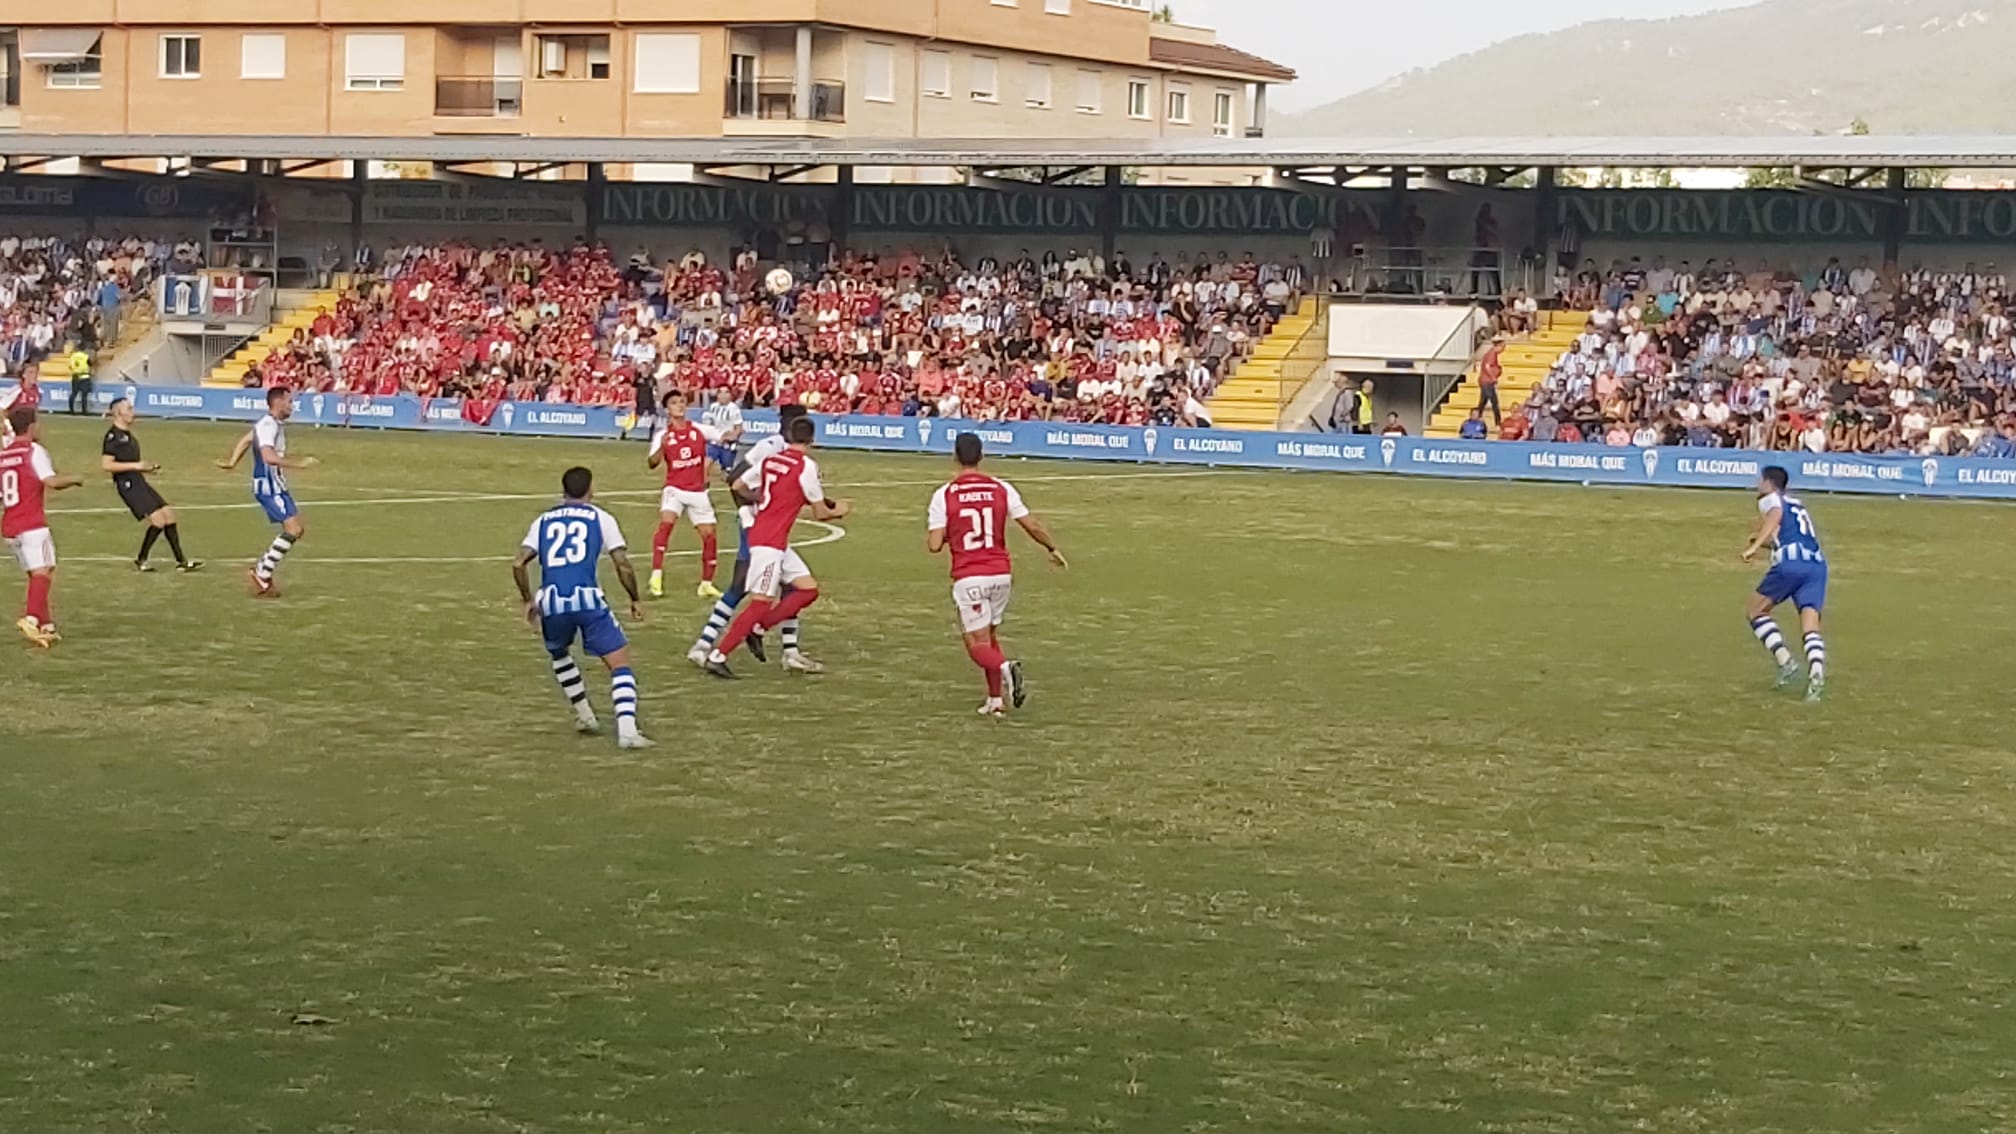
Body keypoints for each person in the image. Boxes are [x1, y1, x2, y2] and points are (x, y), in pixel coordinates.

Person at [510, 465, 651, 749]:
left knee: (559, 653)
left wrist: (528, 600)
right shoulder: (601, 518)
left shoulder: (544, 520)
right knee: (619, 662)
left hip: (551, 602)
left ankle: (585, 715)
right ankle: (627, 731)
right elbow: (621, 563)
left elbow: (518, 563)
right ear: (591, 490)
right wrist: (634, 598)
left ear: (563, 491)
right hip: (587, 599)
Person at [926, 433, 1066, 717]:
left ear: (954, 457)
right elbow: (1031, 524)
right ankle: (995, 700)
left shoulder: (945, 494)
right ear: (982, 456)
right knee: (989, 634)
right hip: (1001, 573)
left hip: (970, 576)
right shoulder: (1001, 488)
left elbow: (933, 544)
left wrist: (948, 534)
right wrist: (1052, 548)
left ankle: (1005, 668)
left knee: (975, 643)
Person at [702, 414, 851, 680]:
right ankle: (718, 655)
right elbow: (820, 513)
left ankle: (758, 629)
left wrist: (765, 500)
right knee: (760, 602)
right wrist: (839, 510)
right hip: (768, 543)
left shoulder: (772, 460)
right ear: (812, 440)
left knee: (808, 589)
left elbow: (738, 485)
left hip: (771, 538)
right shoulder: (806, 466)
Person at [688, 403, 812, 668]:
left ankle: (790, 651)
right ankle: (705, 644)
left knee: (791, 587)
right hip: (757, 526)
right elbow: (735, 478)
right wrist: (750, 511)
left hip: (771, 527)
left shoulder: (790, 452)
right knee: (742, 584)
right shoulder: (770, 447)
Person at [218, 388, 318, 598]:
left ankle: (262, 571)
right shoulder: (267, 425)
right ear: (278, 402)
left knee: (296, 530)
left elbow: (247, 439)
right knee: (293, 529)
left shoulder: (268, 424)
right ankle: (262, 573)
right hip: (269, 486)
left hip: (276, 484)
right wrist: (297, 465)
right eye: (289, 401)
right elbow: (267, 456)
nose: (292, 406)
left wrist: (232, 462)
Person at [1742, 465, 1829, 703]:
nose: (1757, 484)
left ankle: (1785, 662)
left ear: (1769, 483)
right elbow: (1792, 534)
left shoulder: (1770, 499)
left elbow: (1775, 515)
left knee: (1755, 612)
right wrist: (1768, 543)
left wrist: (1755, 546)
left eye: (1760, 480)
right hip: (1816, 565)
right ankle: (1817, 675)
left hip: (1790, 564)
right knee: (1810, 625)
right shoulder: (1797, 503)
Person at [1, 409, 84, 646]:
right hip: (32, 523)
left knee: (37, 572)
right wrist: (75, 479)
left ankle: (46, 625)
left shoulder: (4, 454)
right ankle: (31, 617)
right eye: (38, 424)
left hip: (10, 526)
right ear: (30, 427)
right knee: (44, 571)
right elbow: (51, 482)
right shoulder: (33, 451)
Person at [102, 397, 202, 573]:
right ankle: (142, 559)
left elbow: (132, 463)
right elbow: (107, 465)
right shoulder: (113, 437)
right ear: (119, 412)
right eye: (129, 409)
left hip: (138, 480)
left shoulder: (128, 435)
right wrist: (136, 466)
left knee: (169, 516)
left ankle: (181, 561)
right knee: (158, 520)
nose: (133, 412)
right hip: (127, 484)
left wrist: (147, 468)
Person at [646, 389, 727, 600]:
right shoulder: (662, 436)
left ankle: (706, 584)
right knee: (666, 524)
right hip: (674, 488)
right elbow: (652, 463)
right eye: (674, 403)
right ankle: (656, 575)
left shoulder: (698, 430)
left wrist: (733, 433)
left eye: (682, 402)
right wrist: (661, 448)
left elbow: (722, 436)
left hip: (698, 491)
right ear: (667, 409)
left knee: (709, 536)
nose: (680, 406)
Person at [703, 387, 745, 473]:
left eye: (726, 392)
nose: (723, 395)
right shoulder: (713, 407)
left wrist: (731, 437)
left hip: (726, 444)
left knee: (727, 471)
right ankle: (705, 486)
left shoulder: (734, 409)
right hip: (714, 443)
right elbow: (708, 425)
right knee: (705, 465)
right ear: (717, 395)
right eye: (720, 393)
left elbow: (739, 428)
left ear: (730, 395)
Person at [66, 346, 93, 416]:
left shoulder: (73, 356)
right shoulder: (85, 356)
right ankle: (84, 411)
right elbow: (90, 363)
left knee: (73, 394)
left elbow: (70, 366)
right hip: (85, 377)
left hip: (76, 377)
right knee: (84, 395)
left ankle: (71, 410)